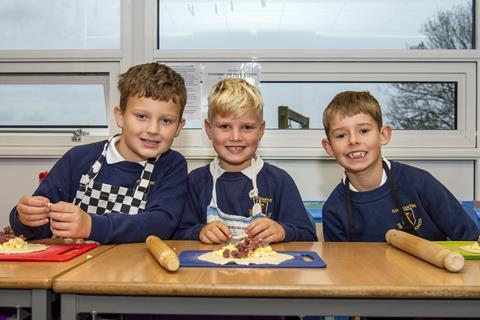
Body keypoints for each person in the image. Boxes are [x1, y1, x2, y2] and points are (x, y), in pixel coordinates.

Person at [9, 62, 188, 244]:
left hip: (136, 269)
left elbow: (162, 224)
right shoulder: (78, 158)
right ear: (120, 116)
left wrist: (90, 226)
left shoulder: (171, 165)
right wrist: (25, 217)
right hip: (73, 267)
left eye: (166, 121)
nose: (153, 129)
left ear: (179, 127)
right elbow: (39, 227)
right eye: (141, 117)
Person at [321, 90, 480, 242]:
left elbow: (472, 240)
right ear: (329, 147)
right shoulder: (333, 210)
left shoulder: (421, 183)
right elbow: (342, 266)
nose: (353, 140)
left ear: (383, 135)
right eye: (341, 135)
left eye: (363, 131)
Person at [173, 77, 317, 243]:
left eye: (247, 127)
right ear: (209, 129)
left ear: (261, 130)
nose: (235, 137)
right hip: (210, 269)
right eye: (225, 126)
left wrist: (283, 231)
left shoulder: (279, 181)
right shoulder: (196, 181)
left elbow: (308, 236)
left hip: (268, 268)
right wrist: (199, 232)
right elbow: (177, 234)